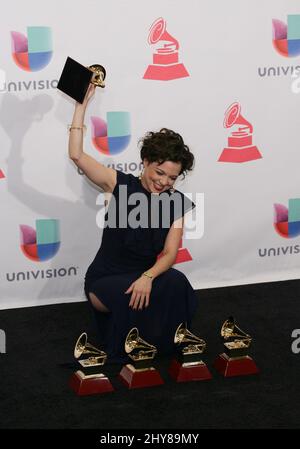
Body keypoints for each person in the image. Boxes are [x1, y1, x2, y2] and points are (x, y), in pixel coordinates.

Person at [68, 84, 198, 363]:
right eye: (159, 172)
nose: (164, 182)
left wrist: (148, 276)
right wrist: (81, 107)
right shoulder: (119, 184)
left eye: (172, 178)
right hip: (104, 280)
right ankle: (128, 344)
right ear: (145, 162)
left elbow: (171, 253)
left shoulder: (176, 202)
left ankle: (169, 340)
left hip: (143, 277)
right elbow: (77, 155)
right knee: (132, 292)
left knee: (177, 281)